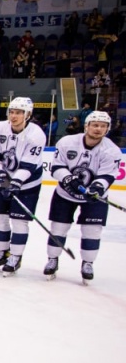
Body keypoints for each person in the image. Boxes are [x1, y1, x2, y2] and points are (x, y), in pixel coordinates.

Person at [44, 111, 121, 282]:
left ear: (107, 129)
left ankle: (88, 262)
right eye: (94, 125)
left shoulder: (112, 151)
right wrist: (68, 178)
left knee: (92, 231)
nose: (98, 129)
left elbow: (108, 175)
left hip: (93, 198)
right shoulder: (67, 142)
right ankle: (52, 259)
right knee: (58, 228)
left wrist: (97, 188)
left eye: (102, 126)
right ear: (86, 126)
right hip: (64, 194)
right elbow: (56, 167)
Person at [0, 96, 46, 275]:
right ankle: (3, 252)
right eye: (12, 112)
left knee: (19, 221)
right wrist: (1, 177)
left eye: (19, 112)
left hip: (28, 184)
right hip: (4, 181)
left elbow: (28, 165)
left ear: (27, 114)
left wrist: (16, 183)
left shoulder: (36, 135)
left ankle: (16, 256)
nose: (14, 116)